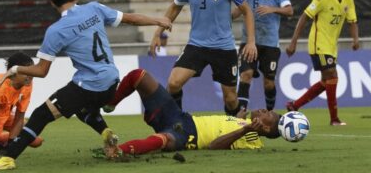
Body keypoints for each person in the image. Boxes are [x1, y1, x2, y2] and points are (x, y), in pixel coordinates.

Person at [0, 0, 172, 171]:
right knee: (80, 107)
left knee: (41, 115)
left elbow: (41, 71)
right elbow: (130, 18)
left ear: (52, 3)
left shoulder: (55, 31)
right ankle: (105, 132)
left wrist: (16, 69)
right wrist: (158, 20)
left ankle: (7, 159)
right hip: (112, 81)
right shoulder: (94, 8)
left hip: (88, 85)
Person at [150, 0, 257, 116]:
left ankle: (236, 128)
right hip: (197, 45)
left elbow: (247, 11)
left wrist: (251, 42)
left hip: (224, 47)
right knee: (173, 83)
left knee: (230, 99)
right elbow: (175, 8)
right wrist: (157, 33)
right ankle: (178, 123)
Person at [102, 69, 280, 158]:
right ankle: (110, 103)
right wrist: (238, 121)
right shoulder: (243, 124)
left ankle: (118, 151)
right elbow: (228, 128)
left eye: (269, 114)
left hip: (189, 136)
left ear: (264, 126)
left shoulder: (252, 141)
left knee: (162, 140)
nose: (266, 110)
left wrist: (244, 129)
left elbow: (214, 146)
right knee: (139, 76)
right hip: (181, 117)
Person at [285, 0, 359, 126]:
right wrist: (293, 42)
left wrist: (355, 40)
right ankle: (334, 119)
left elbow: (352, 22)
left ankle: (295, 105)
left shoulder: (349, 0)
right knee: (332, 75)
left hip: (332, 46)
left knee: (327, 81)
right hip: (318, 43)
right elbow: (304, 17)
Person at [233, 0, 293, 111]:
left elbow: (289, 11)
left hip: (270, 43)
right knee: (245, 75)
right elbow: (240, 10)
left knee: (269, 83)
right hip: (248, 41)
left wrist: (272, 8)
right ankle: (241, 113)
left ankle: (270, 112)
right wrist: (225, 18)